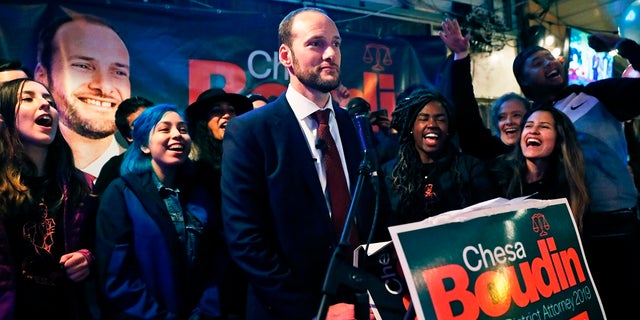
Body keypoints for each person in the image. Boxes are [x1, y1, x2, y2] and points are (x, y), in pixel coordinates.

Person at [220, 7, 387, 319]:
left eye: (336, 44)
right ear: (286, 56)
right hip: (292, 309)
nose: (330, 54)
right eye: (316, 44)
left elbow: (372, 214)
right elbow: (246, 240)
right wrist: (316, 310)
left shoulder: (356, 127)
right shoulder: (250, 131)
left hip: (365, 302)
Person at [512, 32, 640, 318]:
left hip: (616, 225)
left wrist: (622, 46)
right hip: (562, 236)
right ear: (525, 83)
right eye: (537, 61)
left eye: (550, 57)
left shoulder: (596, 96)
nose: (549, 62)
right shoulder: (530, 125)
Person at [95, 104, 226, 319]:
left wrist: (206, 311)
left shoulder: (202, 195)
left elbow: (215, 261)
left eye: (183, 130)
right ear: (145, 145)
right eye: (165, 129)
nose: (177, 135)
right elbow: (117, 276)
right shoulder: (121, 193)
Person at [0, 78, 95, 319]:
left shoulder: (82, 185)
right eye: (28, 98)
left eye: (49, 100)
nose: (44, 105)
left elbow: (101, 245)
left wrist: (87, 258)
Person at [34, 13, 131, 182]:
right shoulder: (18, 173)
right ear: (42, 76)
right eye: (83, 66)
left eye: (118, 72)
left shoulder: (147, 176)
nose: (104, 87)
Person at [381, 89, 498, 225]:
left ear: (449, 128)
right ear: (411, 127)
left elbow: (490, 219)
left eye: (440, 119)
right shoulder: (389, 173)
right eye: (423, 118)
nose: (432, 125)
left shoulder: (471, 168)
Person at [185, 87, 253, 319]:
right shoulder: (193, 170)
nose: (226, 115)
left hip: (252, 267)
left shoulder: (253, 161)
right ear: (203, 123)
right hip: (212, 274)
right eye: (217, 111)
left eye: (231, 111)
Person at [439, 18, 531, 161]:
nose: (508, 122)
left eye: (517, 115)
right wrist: (461, 55)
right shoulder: (488, 149)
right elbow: (466, 108)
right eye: (501, 117)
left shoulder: (542, 156)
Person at [491, 104, 589, 228]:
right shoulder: (497, 175)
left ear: (559, 139)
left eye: (544, 126)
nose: (533, 131)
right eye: (528, 126)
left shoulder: (569, 187)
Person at [92, 96, 153, 195]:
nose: (149, 125)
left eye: (151, 119)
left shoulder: (177, 159)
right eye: (139, 123)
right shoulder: (114, 167)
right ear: (129, 136)